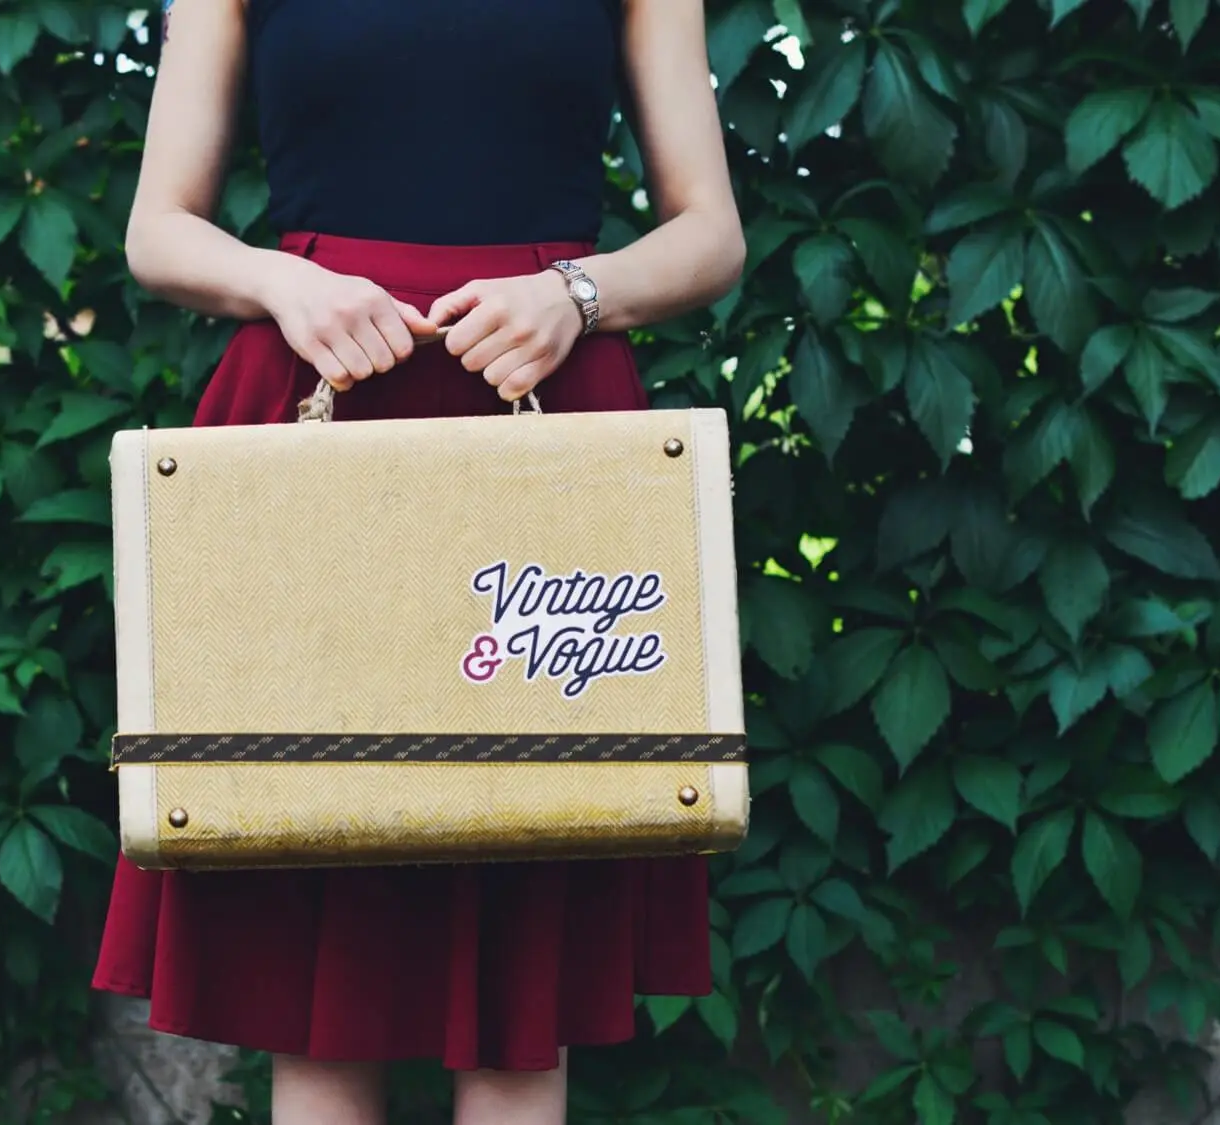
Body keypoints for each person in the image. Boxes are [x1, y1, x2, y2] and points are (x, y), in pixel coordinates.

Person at [95, 1, 745, 1121]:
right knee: (317, 949)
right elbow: (158, 229)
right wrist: (283, 283)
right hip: (317, 408)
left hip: (542, 415)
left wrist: (576, 294)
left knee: (521, 982)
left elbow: (711, 233)